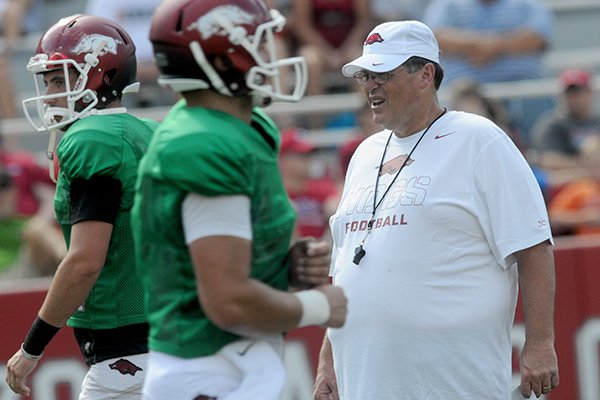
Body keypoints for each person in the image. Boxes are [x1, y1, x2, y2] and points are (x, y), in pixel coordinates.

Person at [314, 20, 559, 400]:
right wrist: (329, 357)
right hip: (365, 381)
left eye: (382, 72)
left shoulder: (480, 139)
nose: (369, 84)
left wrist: (540, 343)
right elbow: (346, 267)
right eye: (364, 75)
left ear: (426, 74)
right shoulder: (363, 153)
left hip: (454, 383)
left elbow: (533, 245)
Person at [132, 1, 347, 399]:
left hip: (236, 361)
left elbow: (230, 249)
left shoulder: (245, 125)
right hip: (209, 369)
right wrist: (318, 306)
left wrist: (282, 267)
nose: (273, 55)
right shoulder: (204, 143)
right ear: (220, 57)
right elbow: (227, 300)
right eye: (260, 43)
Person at [5, 14, 159, 398]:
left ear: (102, 76)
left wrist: (31, 347)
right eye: (48, 81)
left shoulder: (93, 138)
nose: (50, 93)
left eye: (59, 79)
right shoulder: (148, 131)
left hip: (128, 350)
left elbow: (85, 261)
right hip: (167, 333)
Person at [423, 0, 555, 137]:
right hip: (463, 89)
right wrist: (477, 45)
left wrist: (493, 46)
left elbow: (537, 38)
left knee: (533, 101)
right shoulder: (447, 4)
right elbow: (433, 38)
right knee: (463, 106)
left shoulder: (527, 4)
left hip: (521, 89)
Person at [85, 0, 175, 108]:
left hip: (168, 70)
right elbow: (96, 39)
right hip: (122, 75)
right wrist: (129, 69)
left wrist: (165, 66)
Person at [531, 68, 600, 174]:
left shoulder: (597, 121)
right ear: (562, 95)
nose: (576, 98)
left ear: (590, 92)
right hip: (569, 182)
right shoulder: (552, 124)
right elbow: (547, 161)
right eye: (571, 93)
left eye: (580, 92)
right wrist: (589, 164)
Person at [279, 128, 339, 240]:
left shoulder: (320, 186)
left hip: (322, 247)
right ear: (284, 159)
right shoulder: (276, 192)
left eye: (309, 156)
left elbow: (334, 205)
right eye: (302, 156)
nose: (308, 160)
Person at [547, 135, 600, 236]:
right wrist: (584, 218)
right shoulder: (578, 188)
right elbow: (553, 218)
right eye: (594, 164)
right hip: (587, 247)